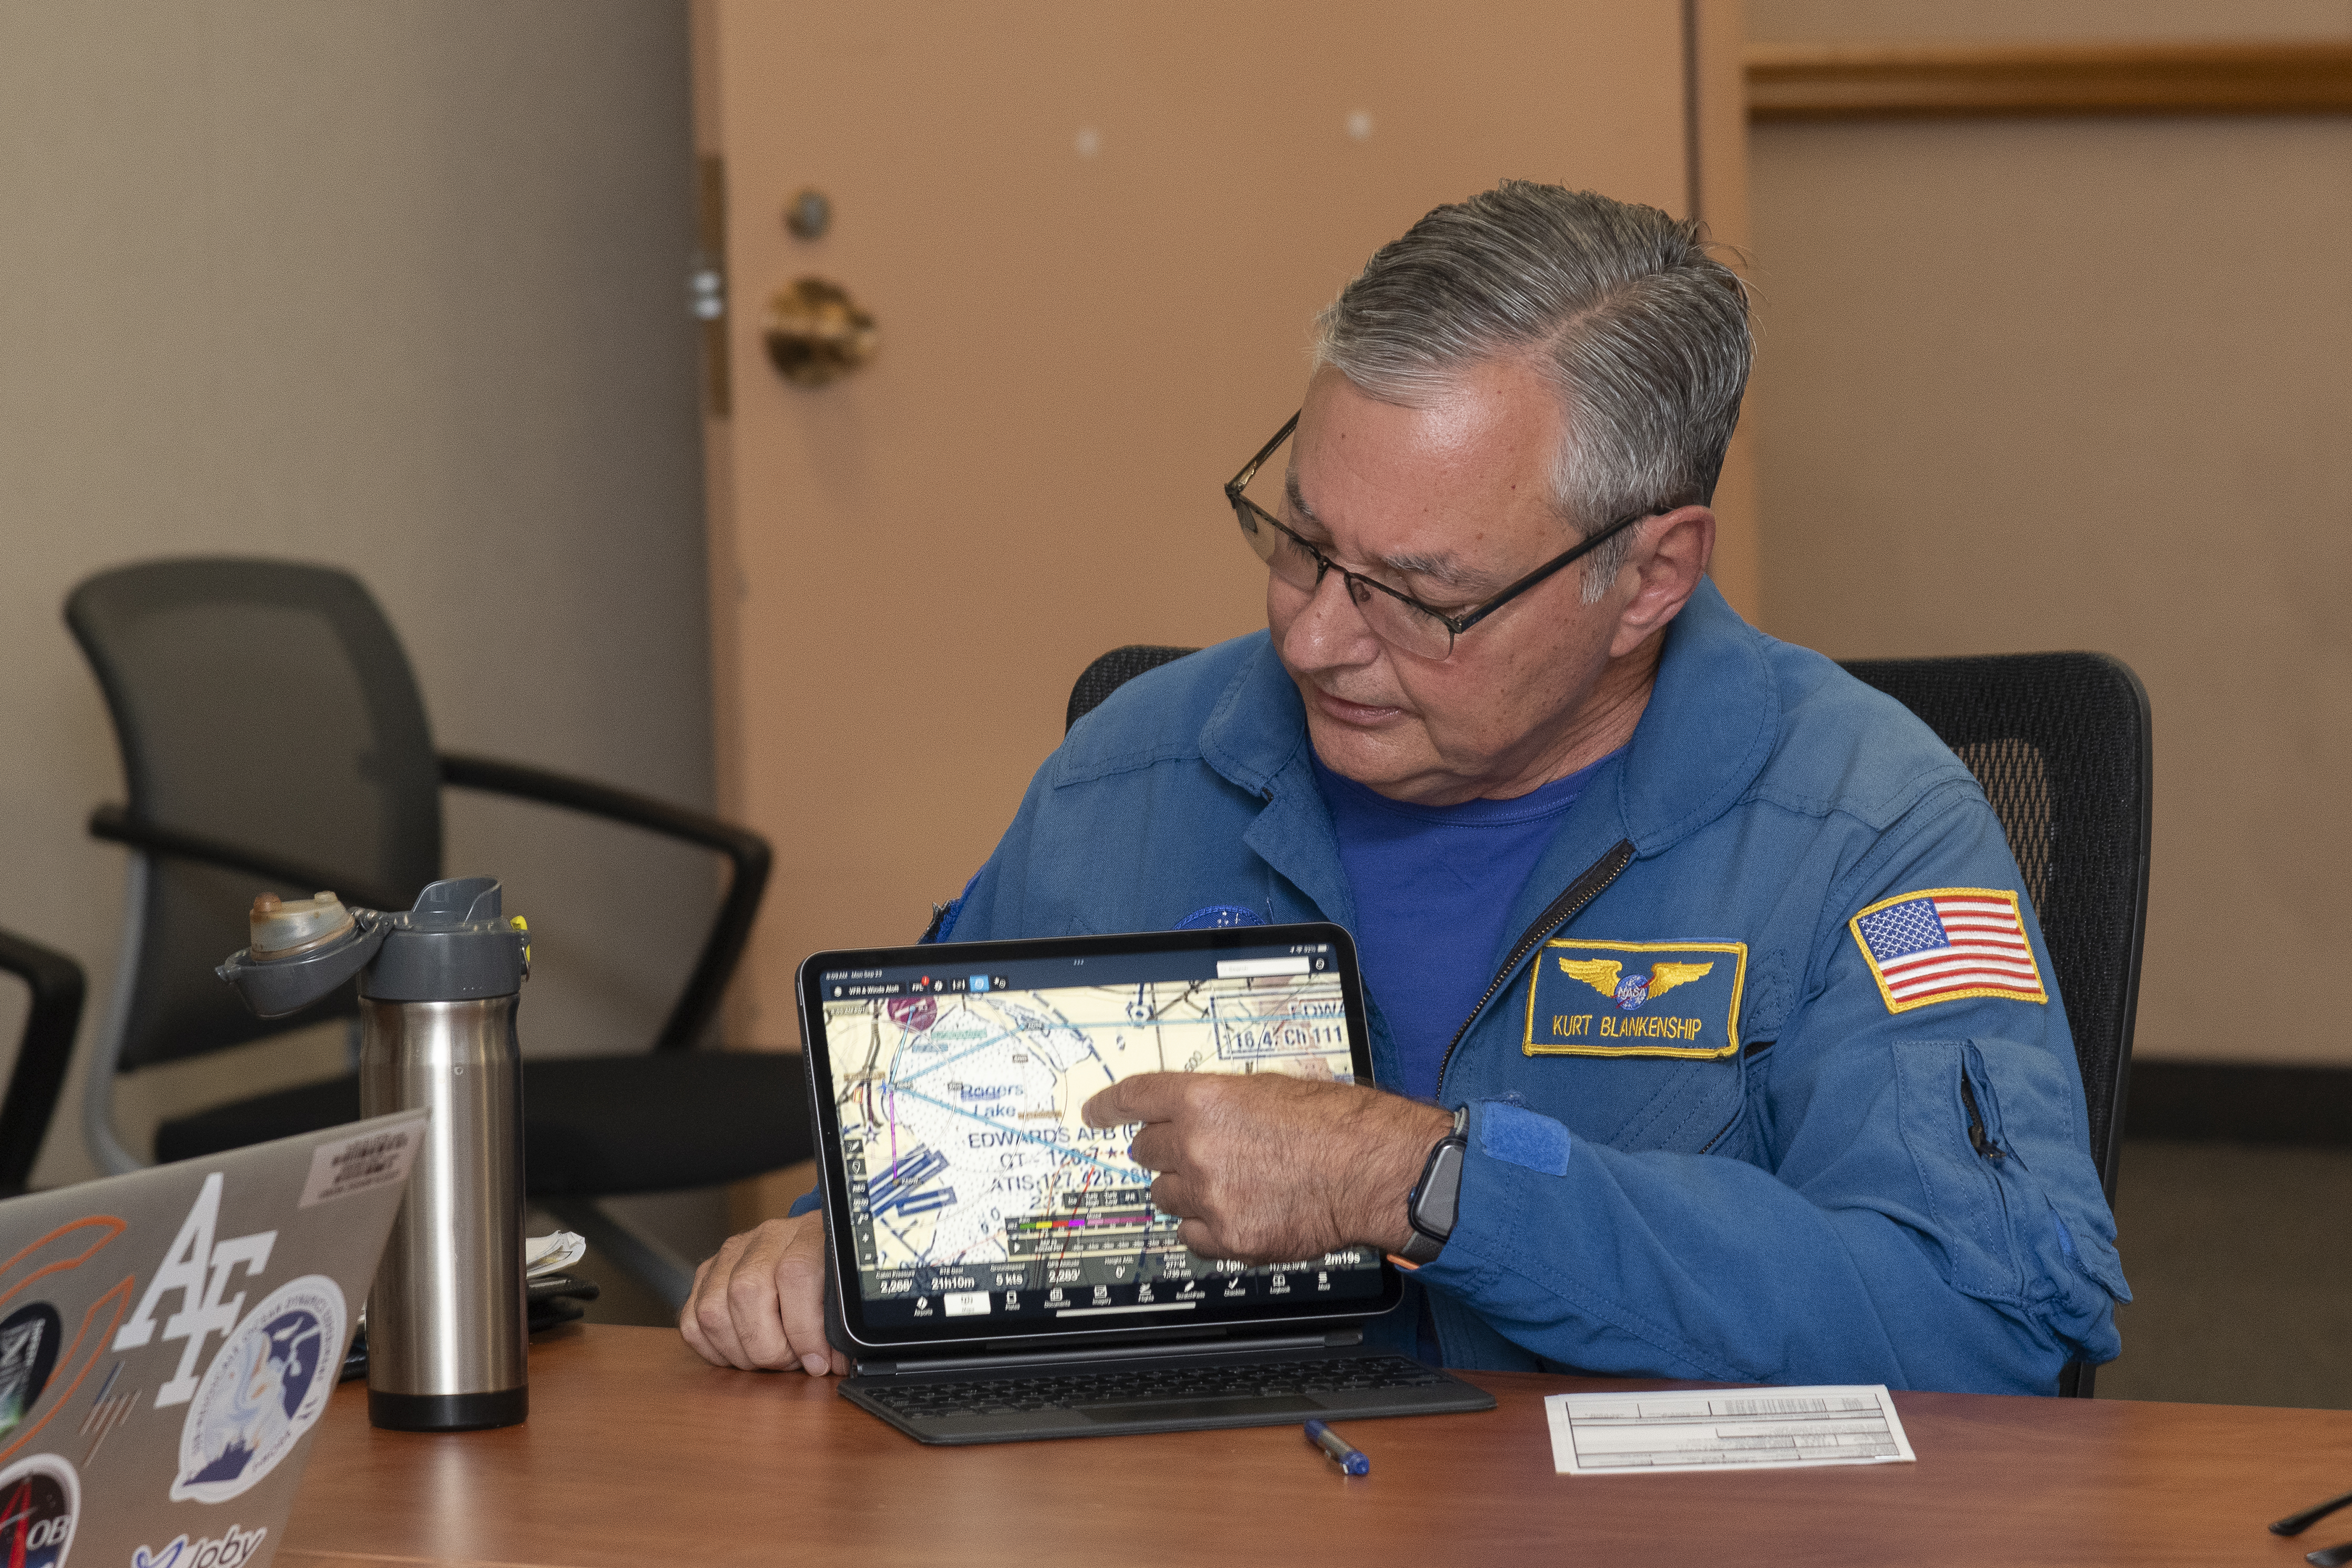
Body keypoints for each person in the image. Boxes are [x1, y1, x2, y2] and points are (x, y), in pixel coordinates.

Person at [681, 182, 2128, 1393]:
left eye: (1418, 596)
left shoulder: (1867, 824)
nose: (1310, 636)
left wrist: (1428, 1183)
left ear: (1650, 577)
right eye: (1301, 539)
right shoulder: (1136, 766)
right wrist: (832, 1261)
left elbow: (1988, 1322)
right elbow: (916, 1190)